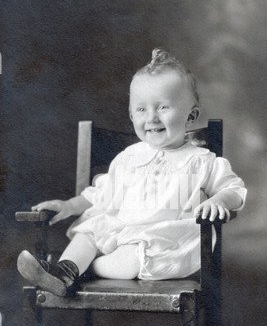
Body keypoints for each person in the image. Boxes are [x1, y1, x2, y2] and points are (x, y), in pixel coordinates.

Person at [17, 48, 247, 297]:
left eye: (163, 107)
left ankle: (81, 271)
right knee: (89, 232)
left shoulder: (201, 160)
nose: (152, 118)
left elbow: (234, 190)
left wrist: (218, 200)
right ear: (131, 115)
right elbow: (100, 195)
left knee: (134, 255)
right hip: (121, 230)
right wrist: (68, 206)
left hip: (164, 242)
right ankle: (65, 271)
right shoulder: (128, 158)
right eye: (141, 110)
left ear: (191, 116)